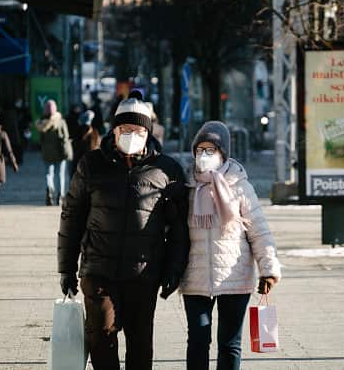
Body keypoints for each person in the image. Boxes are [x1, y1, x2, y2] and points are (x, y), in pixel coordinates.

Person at [57, 97, 189, 370]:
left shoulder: (167, 170)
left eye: (138, 131)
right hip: (99, 270)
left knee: (140, 345)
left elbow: (179, 229)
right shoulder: (91, 164)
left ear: (148, 133)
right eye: (125, 130)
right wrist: (66, 268)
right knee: (101, 337)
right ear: (113, 131)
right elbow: (72, 217)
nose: (131, 136)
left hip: (143, 273)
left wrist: (174, 269)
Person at [179, 121, 282, 370]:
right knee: (198, 340)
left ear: (223, 153)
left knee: (229, 343)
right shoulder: (186, 187)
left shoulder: (240, 186)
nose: (204, 155)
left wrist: (268, 269)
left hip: (234, 277)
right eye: (200, 149)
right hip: (196, 277)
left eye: (211, 149)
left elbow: (259, 231)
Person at [36, 99, 71, 206]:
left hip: (47, 153)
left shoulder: (41, 124)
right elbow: (66, 137)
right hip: (60, 153)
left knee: (48, 174)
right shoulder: (61, 122)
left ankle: (50, 192)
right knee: (60, 175)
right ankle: (60, 197)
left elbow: (41, 140)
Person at [70, 110, 100, 178]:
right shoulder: (95, 132)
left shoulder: (78, 131)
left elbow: (75, 146)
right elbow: (98, 146)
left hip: (79, 162)